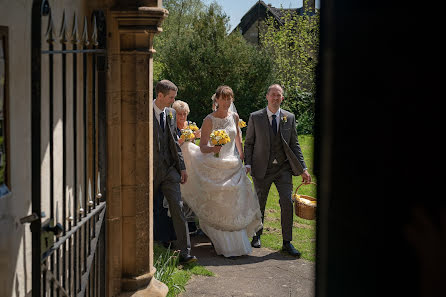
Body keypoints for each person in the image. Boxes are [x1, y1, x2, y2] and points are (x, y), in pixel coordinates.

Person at [179, 85, 262, 257]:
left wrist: (242, 158)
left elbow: (238, 138)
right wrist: (213, 149)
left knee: (235, 205)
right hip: (215, 165)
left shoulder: (235, 116)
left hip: (233, 166)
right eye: (223, 98)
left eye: (229, 98)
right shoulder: (209, 119)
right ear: (216, 100)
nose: (226, 102)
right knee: (218, 205)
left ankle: (238, 244)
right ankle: (222, 244)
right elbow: (202, 147)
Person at [244, 84, 312, 258]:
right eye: (272, 95)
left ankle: (287, 242)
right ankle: (257, 236)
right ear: (267, 96)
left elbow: (295, 144)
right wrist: (248, 164)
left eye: (278, 95)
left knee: (287, 202)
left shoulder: (289, 117)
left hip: (283, 169)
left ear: (282, 98)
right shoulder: (255, 117)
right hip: (262, 168)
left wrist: (303, 168)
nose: (275, 98)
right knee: (260, 203)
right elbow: (249, 143)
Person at [152, 79, 197, 264]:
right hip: (151, 172)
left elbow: (173, 143)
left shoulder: (170, 113)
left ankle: (185, 253)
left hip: (170, 170)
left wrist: (182, 168)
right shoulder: (143, 112)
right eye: (171, 98)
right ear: (160, 95)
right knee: (150, 209)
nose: (173, 101)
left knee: (178, 208)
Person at [171, 100, 203, 235]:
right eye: (179, 114)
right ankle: (181, 224)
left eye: (184, 114)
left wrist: (197, 135)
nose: (182, 117)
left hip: (192, 164)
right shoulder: (171, 126)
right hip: (178, 163)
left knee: (194, 191)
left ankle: (192, 223)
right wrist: (183, 138)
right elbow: (173, 144)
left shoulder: (190, 125)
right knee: (182, 193)